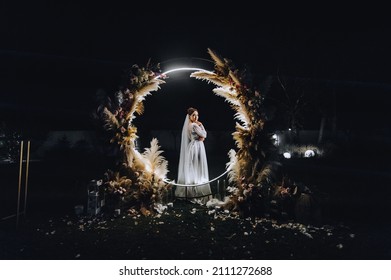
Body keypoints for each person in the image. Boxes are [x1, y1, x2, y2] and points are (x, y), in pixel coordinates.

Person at [175, 107, 212, 204]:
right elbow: (204, 134)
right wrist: (201, 125)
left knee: (195, 166)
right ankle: (195, 190)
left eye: (197, 115)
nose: (196, 117)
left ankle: (194, 187)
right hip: (196, 146)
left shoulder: (190, 125)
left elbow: (202, 135)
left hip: (194, 145)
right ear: (189, 116)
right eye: (193, 115)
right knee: (196, 166)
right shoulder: (194, 125)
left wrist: (201, 136)